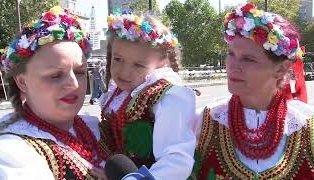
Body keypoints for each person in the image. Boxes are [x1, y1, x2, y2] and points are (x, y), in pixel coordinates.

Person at [192, 3, 314, 179]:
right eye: (231, 54)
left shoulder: (305, 125)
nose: (233, 66)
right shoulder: (202, 122)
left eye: (248, 59)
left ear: (280, 70)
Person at [0, 6, 107, 179]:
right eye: (55, 75)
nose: (73, 84)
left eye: (80, 72)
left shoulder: (95, 127)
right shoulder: (11, 151)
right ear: (22, 82)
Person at [98, 12, 196, 180]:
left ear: (161, 62)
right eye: (118, 59)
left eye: (138, 65)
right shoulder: (117, 94)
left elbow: (177, 159)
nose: (123, 72)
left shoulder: (168, 96)